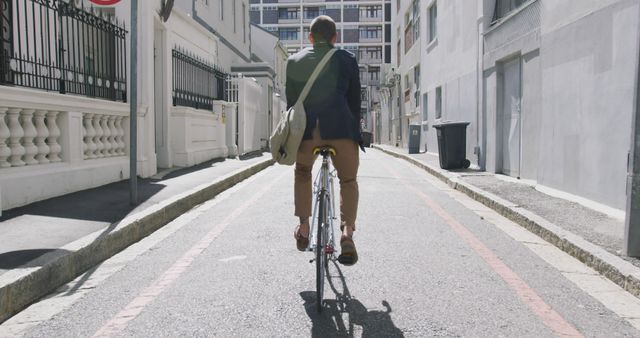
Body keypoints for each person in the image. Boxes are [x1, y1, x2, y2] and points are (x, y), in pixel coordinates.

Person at [286, 15, 362, 266]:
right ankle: (347, 234)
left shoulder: (294, 62)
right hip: (341, 130)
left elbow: (291, 105)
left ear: (310, 37)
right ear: (334, 38)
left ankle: (305, 227)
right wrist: (356, 134)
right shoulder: (347, 60)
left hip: (308, 133)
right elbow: (354, 104)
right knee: (348, 180)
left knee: (303, 172)